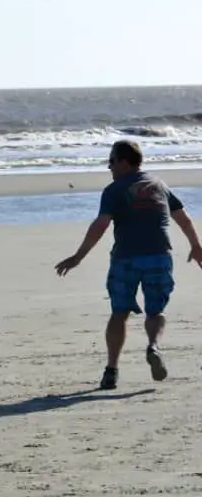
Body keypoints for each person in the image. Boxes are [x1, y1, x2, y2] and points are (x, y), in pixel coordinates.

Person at [55, 140, 202, 390]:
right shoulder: (159, 185)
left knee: (119, 313)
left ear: (124, 162)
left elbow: (100, 225)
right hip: (159, 255)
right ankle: (153, 346)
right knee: (155, 312)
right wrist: (196, 246)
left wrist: (79, 256)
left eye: (111, 161)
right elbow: (184, 219)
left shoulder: (114, 190)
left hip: (126, 257)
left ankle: (111, 371)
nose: (109, 166)